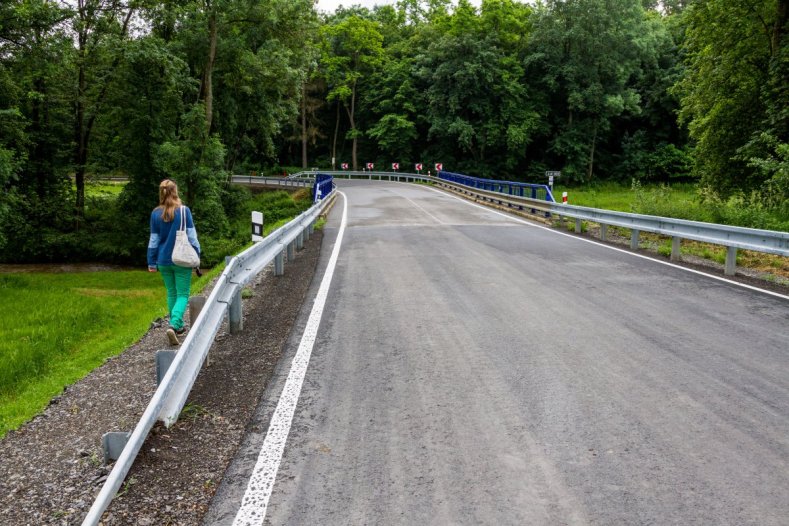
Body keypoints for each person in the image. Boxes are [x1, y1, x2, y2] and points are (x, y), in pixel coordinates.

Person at [147, 179, 201, 346]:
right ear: (175, 191)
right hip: (181, 259)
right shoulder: (184, 211)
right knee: (183, 294)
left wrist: (151, 261)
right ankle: (174, 323)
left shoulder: (155, 213)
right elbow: (192, 237)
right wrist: (197, 254)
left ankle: (176, 326)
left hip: (163, 260)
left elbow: (153, 240)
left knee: (171, 293)